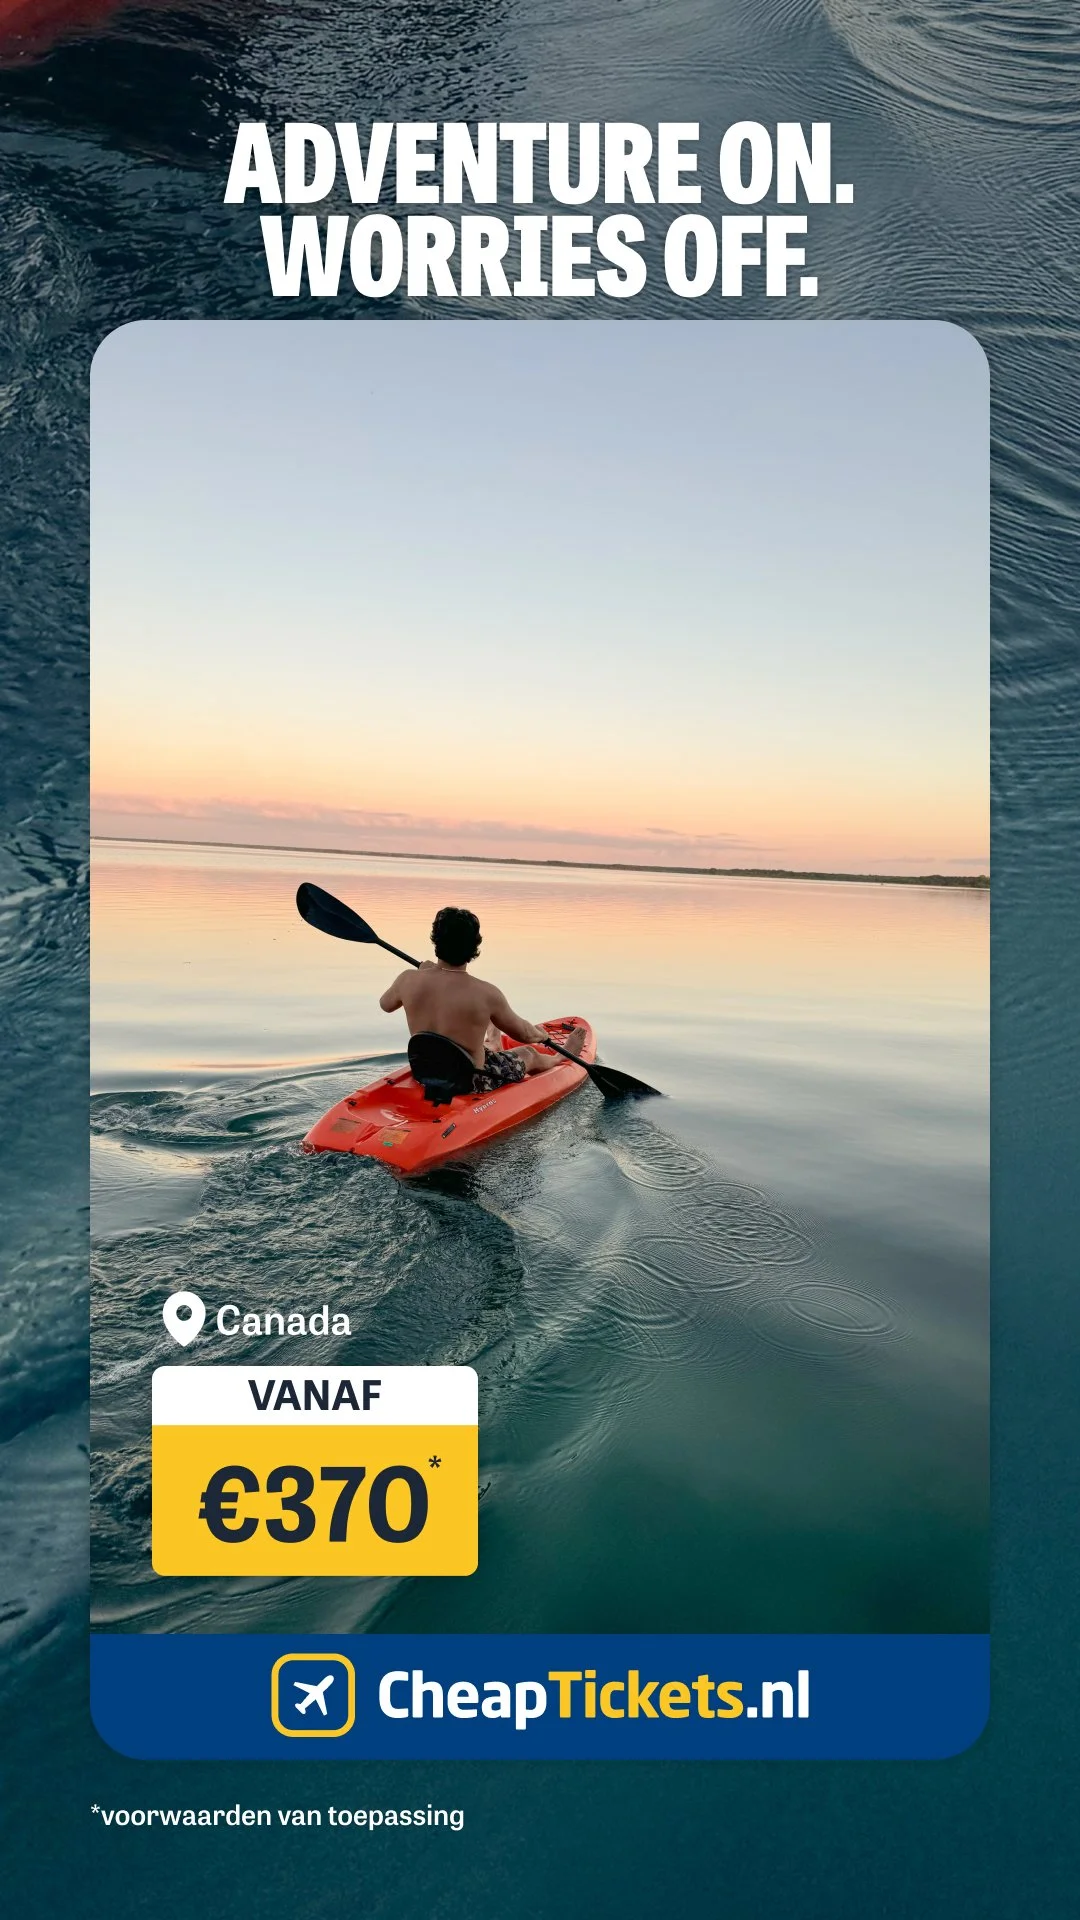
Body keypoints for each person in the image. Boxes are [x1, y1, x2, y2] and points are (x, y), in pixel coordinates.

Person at [379, 905, 583, 1093]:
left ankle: (493, 1041)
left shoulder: (407, 979)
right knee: (529, 1053)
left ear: (436, 941)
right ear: (473, 948)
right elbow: (524, 1034)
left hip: (425, 1072)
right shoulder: (486, 994)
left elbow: (385, 1005)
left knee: (490, 1039)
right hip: (471, 1080)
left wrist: (427, 971)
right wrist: (542, 1036)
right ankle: (560, 1057)